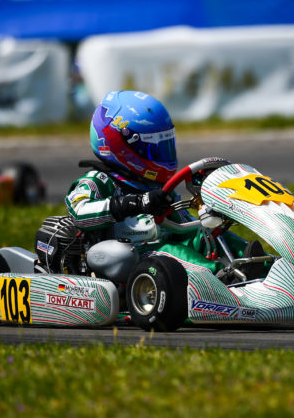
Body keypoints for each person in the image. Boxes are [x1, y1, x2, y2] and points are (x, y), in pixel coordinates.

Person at [64, 90, 265, 282]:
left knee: (209, 235)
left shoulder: (154, 186)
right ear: (118, 143)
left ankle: (265, 265)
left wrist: (209, 219)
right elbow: (78, 211)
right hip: (131, 254)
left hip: (163, 251)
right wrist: (134, 203)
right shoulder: (98, 180)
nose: (161, 154)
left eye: (165, 145)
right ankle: (222, 277)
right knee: (172, 251)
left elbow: (183, 226)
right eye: (153, 148)